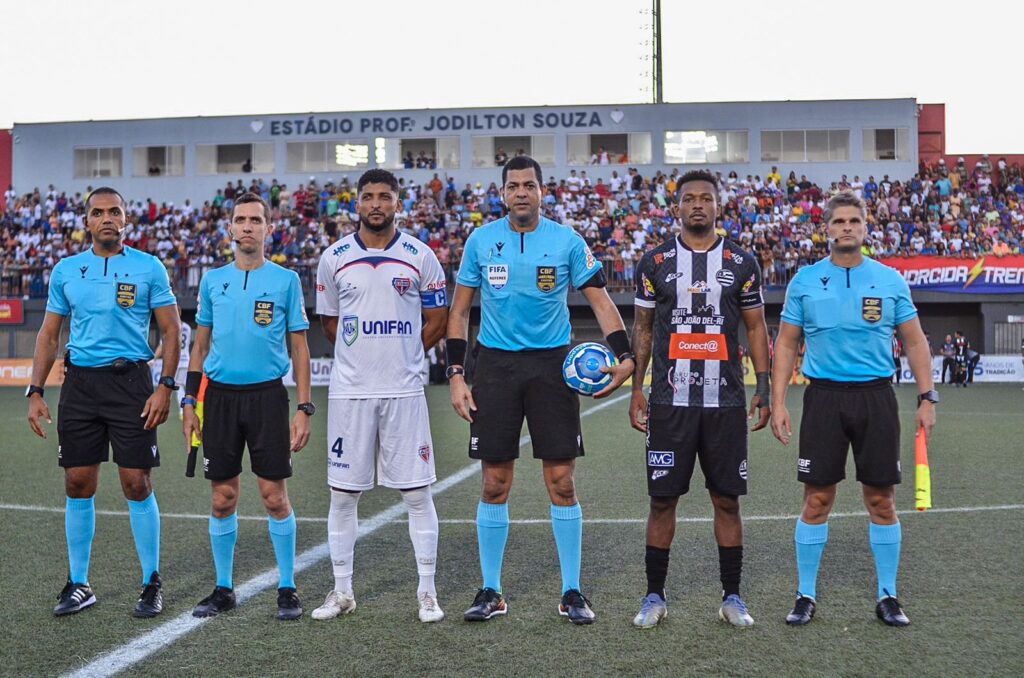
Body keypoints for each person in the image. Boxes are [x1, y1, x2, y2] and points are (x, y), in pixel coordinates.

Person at [447, 155, 635, 625]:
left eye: (529, 185)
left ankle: (572, 591)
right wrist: (455, 373)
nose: (522, 193)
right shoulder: (481, 241)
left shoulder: (567, 241)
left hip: (553, 368)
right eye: (513, 187)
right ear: (503, 193)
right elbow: (459, 312)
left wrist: (627, 355)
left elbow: (601, 300)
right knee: (495, 481)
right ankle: (492, 590)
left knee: (562, 482)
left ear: (542, 191)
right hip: (494, 368)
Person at [770, 192, 937, 628]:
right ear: (826, 228)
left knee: (881, 500)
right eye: (839, 221)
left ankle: (888, 595)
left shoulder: (889, 280)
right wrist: (778, 401)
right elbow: (787, 342)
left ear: (865, 228)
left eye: (855, 221)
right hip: (823, 399)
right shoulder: (805, 281)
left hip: (876, 398)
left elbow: (916, 341)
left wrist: (927, 398)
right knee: (817, 499)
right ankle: (805, 594)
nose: (847, 227)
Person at [27, 186, 181, 617]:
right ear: (87, 221)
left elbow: (171, 331)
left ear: (126, 220)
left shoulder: (149, 268)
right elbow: (49, 334)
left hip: (131, 384)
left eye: (115, 211)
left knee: (137, 483)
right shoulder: (66, 270)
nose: (107, 218)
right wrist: (35, 390)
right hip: (79, 386)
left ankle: (151, 581)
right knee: (78, 482)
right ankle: (79, 583)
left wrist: (165, 386)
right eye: (99, 212)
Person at [629, 170, 772, 629]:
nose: (697, 205)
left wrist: (764, 387)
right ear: (677, 207)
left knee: (727, 501)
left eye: (705, 199)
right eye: (688, 199)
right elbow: (645, 329)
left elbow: (755, 327)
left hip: (726, 402)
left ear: (717, 206)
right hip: (670, 402)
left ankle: (732, 597)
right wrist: (638, 388)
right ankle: (654, 596)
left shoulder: (742, 261)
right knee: (662, 500)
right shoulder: (654, 262)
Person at [311, 169, 449, 623]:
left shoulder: (420, 256)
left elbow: (438, 318)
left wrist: (408, 352)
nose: (376, 204)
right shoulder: (333, 257)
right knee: (343, 496)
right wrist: (363, 354)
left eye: (384, 197)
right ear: (357, 204)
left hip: (404, 390)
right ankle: (342, 590)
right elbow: (331, 323)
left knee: (416, 493)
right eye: (368, 197)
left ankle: (427, 592)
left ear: (397, 203)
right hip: (350, 393)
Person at [182, 192, 312, 621]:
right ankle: (223, 588)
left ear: (269, 228)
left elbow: (299, 346)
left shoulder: (286, 280)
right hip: (217, 399)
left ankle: (288, 587)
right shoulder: (212, 281)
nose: (248, 227)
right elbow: (199, 346)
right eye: (241, 220)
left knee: (274, 496)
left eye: (257, 220)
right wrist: (188, 401)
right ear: (231, 229)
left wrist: (304, 407)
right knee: (223, 497)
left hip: (267, 398)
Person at [154, 319, 193, 418]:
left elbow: (163, 346)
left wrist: (154, 359)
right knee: (188, 387)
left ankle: (182, 410)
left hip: (176, 361)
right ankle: (191, 407)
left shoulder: (171, 326)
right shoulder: (187, 327)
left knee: (178, 387)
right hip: (186, 361)